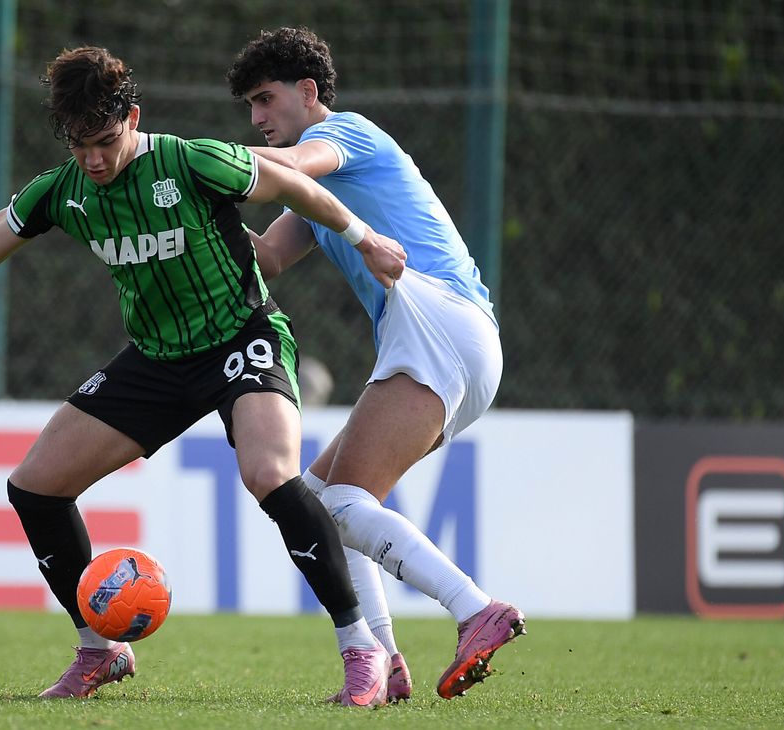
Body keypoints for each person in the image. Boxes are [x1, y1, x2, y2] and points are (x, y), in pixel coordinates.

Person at [0, 45, 408, 706]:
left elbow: (295, 187)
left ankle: (362, 650)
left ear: (133, 119)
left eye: (105, 141)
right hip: (156, 360)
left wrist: (364, 238)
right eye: (78, 144)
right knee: (35, 486)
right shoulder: (61, 191)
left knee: (270, 474)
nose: (93, 159)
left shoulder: (191, 160)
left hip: (243, 337)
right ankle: (99, 650)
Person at [227, 27, 526, 702]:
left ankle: (476, 609)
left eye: (266, 99)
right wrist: (185, 215)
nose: (257, 117)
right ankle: (386, 663)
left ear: (308, 92)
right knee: (319, 500)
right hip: (442, 335)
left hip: (439, 320)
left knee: (339, 501)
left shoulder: (347, 133)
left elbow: (292, 164)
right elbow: (266, 257)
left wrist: (182, 161)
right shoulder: (313, 194)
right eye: (251, 105)